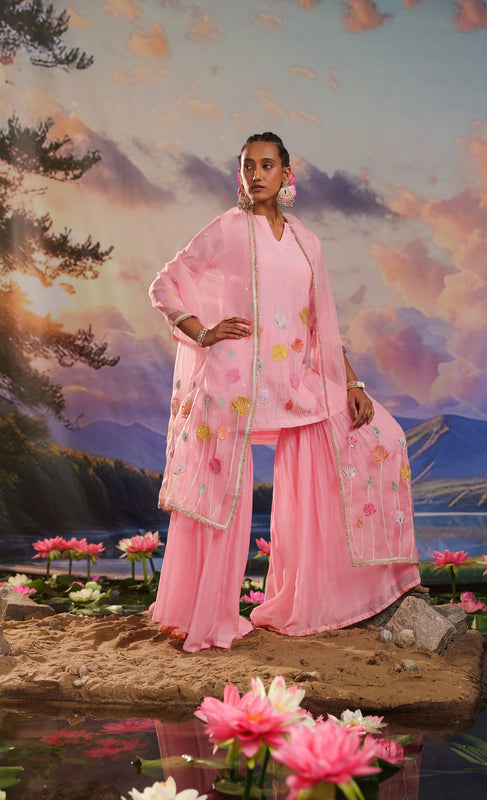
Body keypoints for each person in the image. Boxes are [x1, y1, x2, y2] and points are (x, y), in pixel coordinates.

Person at [149, 132, 425, 653]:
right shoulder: (227, 229)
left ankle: (329, 597)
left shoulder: (306, 242)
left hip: (295, 379)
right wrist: (202, 332)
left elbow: (323, 326)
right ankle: (204, 615)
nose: (256, 174)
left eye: (267, 165)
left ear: (286, 173)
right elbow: (165, 283)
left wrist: (351, 383)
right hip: (232, 382)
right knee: (220, 497)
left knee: (381, 437)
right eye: (247, 165)